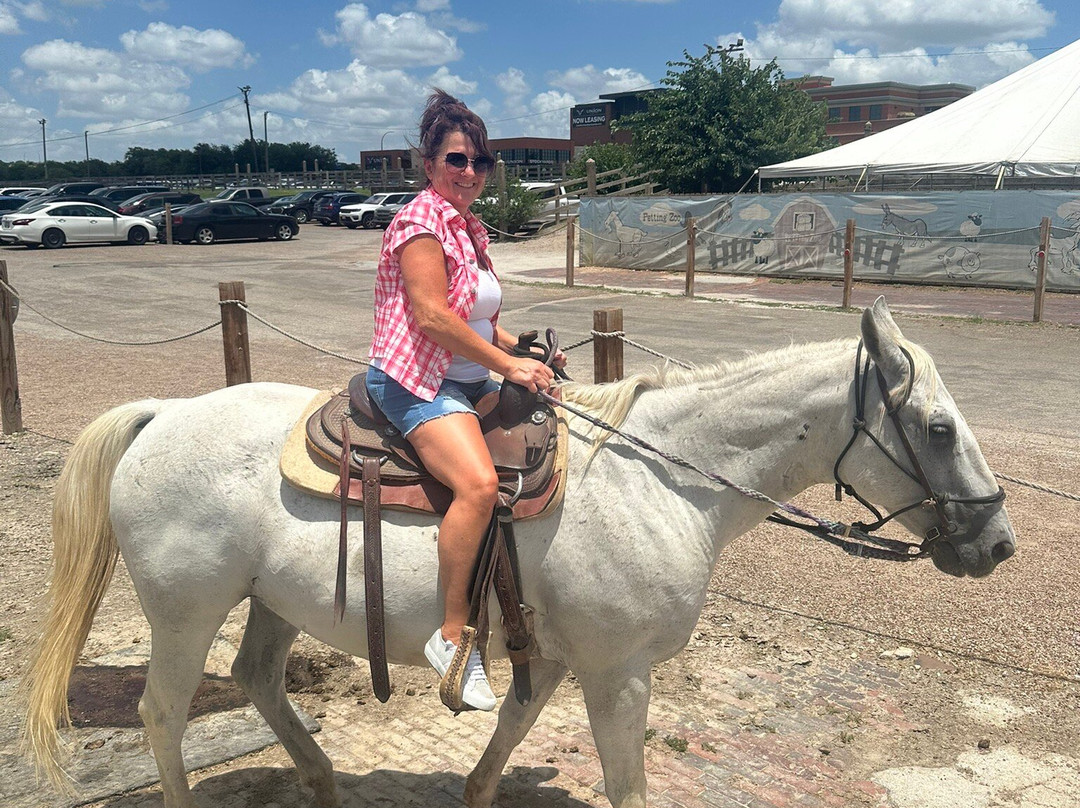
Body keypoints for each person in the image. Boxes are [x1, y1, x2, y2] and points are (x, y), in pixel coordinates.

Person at [365, 90, 560, 711]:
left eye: (480, 162)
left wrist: (520, 351)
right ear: (428, 165)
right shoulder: (420, 223)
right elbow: (431, 317)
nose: (470, 172)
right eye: (457, 159)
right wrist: (507, 366)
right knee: (477, 486)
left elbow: (476, 319)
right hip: (417, 380)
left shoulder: (465, 226)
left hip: (467, 374)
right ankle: (452, 639)